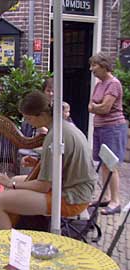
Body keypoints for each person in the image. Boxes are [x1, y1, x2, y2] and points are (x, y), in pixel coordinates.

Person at [0, 91, 96, 230]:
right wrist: (38, 163)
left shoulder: (54, 137)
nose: (28, 122)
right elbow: (63, 164)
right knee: (16, 180)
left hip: (71, 198)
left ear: (41, 115)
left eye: (28, 118)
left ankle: (5, 247)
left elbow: (43, 186)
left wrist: (11, 183)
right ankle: (15, 227)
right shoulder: (64, 126)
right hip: (76, 188)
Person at [88, 52, 128, 215]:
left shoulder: (113, 84)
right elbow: (90, 106)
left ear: (104, 66)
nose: (91, 69)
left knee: (111, 164)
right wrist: (97, 106)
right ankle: (105, 197)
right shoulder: (99, 84)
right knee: (103, 164)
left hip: (112, 128)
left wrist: (96, 107)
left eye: (94, 65)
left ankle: (115, 201)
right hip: (100, 127)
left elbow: (104, 108)